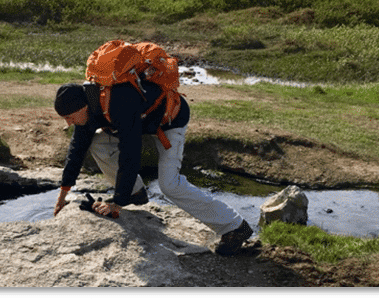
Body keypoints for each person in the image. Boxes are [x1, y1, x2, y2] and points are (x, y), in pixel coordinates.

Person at [52, 81, 253, 255]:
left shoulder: (119, 103)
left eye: (69, 117)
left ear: (83, 106)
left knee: (169, 184)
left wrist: (118, 203)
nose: (68, 123)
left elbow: (130, 154)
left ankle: (235, 226)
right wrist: (62, 196)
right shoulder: (89, 108)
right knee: (97, 143)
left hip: (170, 120)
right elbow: (76, 151)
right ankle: (135, 192)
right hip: (143, 121)